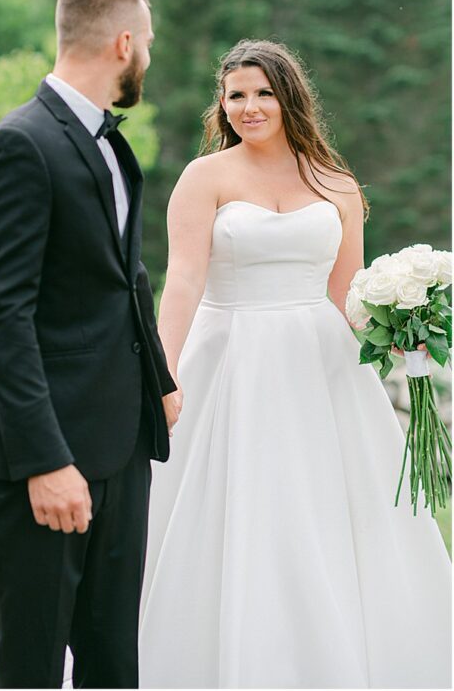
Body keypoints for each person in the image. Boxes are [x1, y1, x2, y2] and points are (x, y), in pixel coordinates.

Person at [139, 40, 452, 688]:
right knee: (233, 505)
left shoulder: (336, 183)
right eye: (236, 95)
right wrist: (162, 373)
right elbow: (183, 280)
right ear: (222, 103)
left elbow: (347, 294)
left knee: (328, 508)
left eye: (263, 93)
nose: (249, 106)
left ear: (289, 98)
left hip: (321, 367)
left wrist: (402, 334)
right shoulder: (204, 177)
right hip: (228, 359)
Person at [0, 0, 178, 689]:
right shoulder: (19, 144)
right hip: (44, 455)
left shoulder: (110, 144)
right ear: (124, 43)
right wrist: (46, 462)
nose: (147, 56)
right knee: (31, 666)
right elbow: (2, 315)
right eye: (147, 43)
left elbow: (127, 275)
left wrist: (160, 382)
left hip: (120, 442)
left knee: (113, 662)